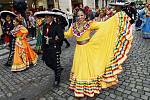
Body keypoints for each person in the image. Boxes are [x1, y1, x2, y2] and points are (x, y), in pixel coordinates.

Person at [64, 5, 133, 97]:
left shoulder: (90, 24)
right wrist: (58, 30)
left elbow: (104, 25)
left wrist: (115, 18)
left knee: (88, 68)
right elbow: (67, 35)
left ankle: (90, 87)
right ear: (76, 16)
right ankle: (80, 87)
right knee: (80, 67)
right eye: (78, 15)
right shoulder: (73, 26)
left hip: (88, 48)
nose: (80, 17)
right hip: (78, 50)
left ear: (85, 16)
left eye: (81, 15)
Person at [41, 11, 64, 86]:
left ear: (52, 17)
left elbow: (61, 38)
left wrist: (50, 40)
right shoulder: (44, 26)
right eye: (45, 17)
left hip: (55, 49)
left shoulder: (57, 26)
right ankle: (58, 70)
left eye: (47, 17)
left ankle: (57, 78)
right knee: (47, 62)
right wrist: (42, 46)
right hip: (46, 49)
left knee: (55, 64)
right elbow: (43, 37)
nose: (46, 18)